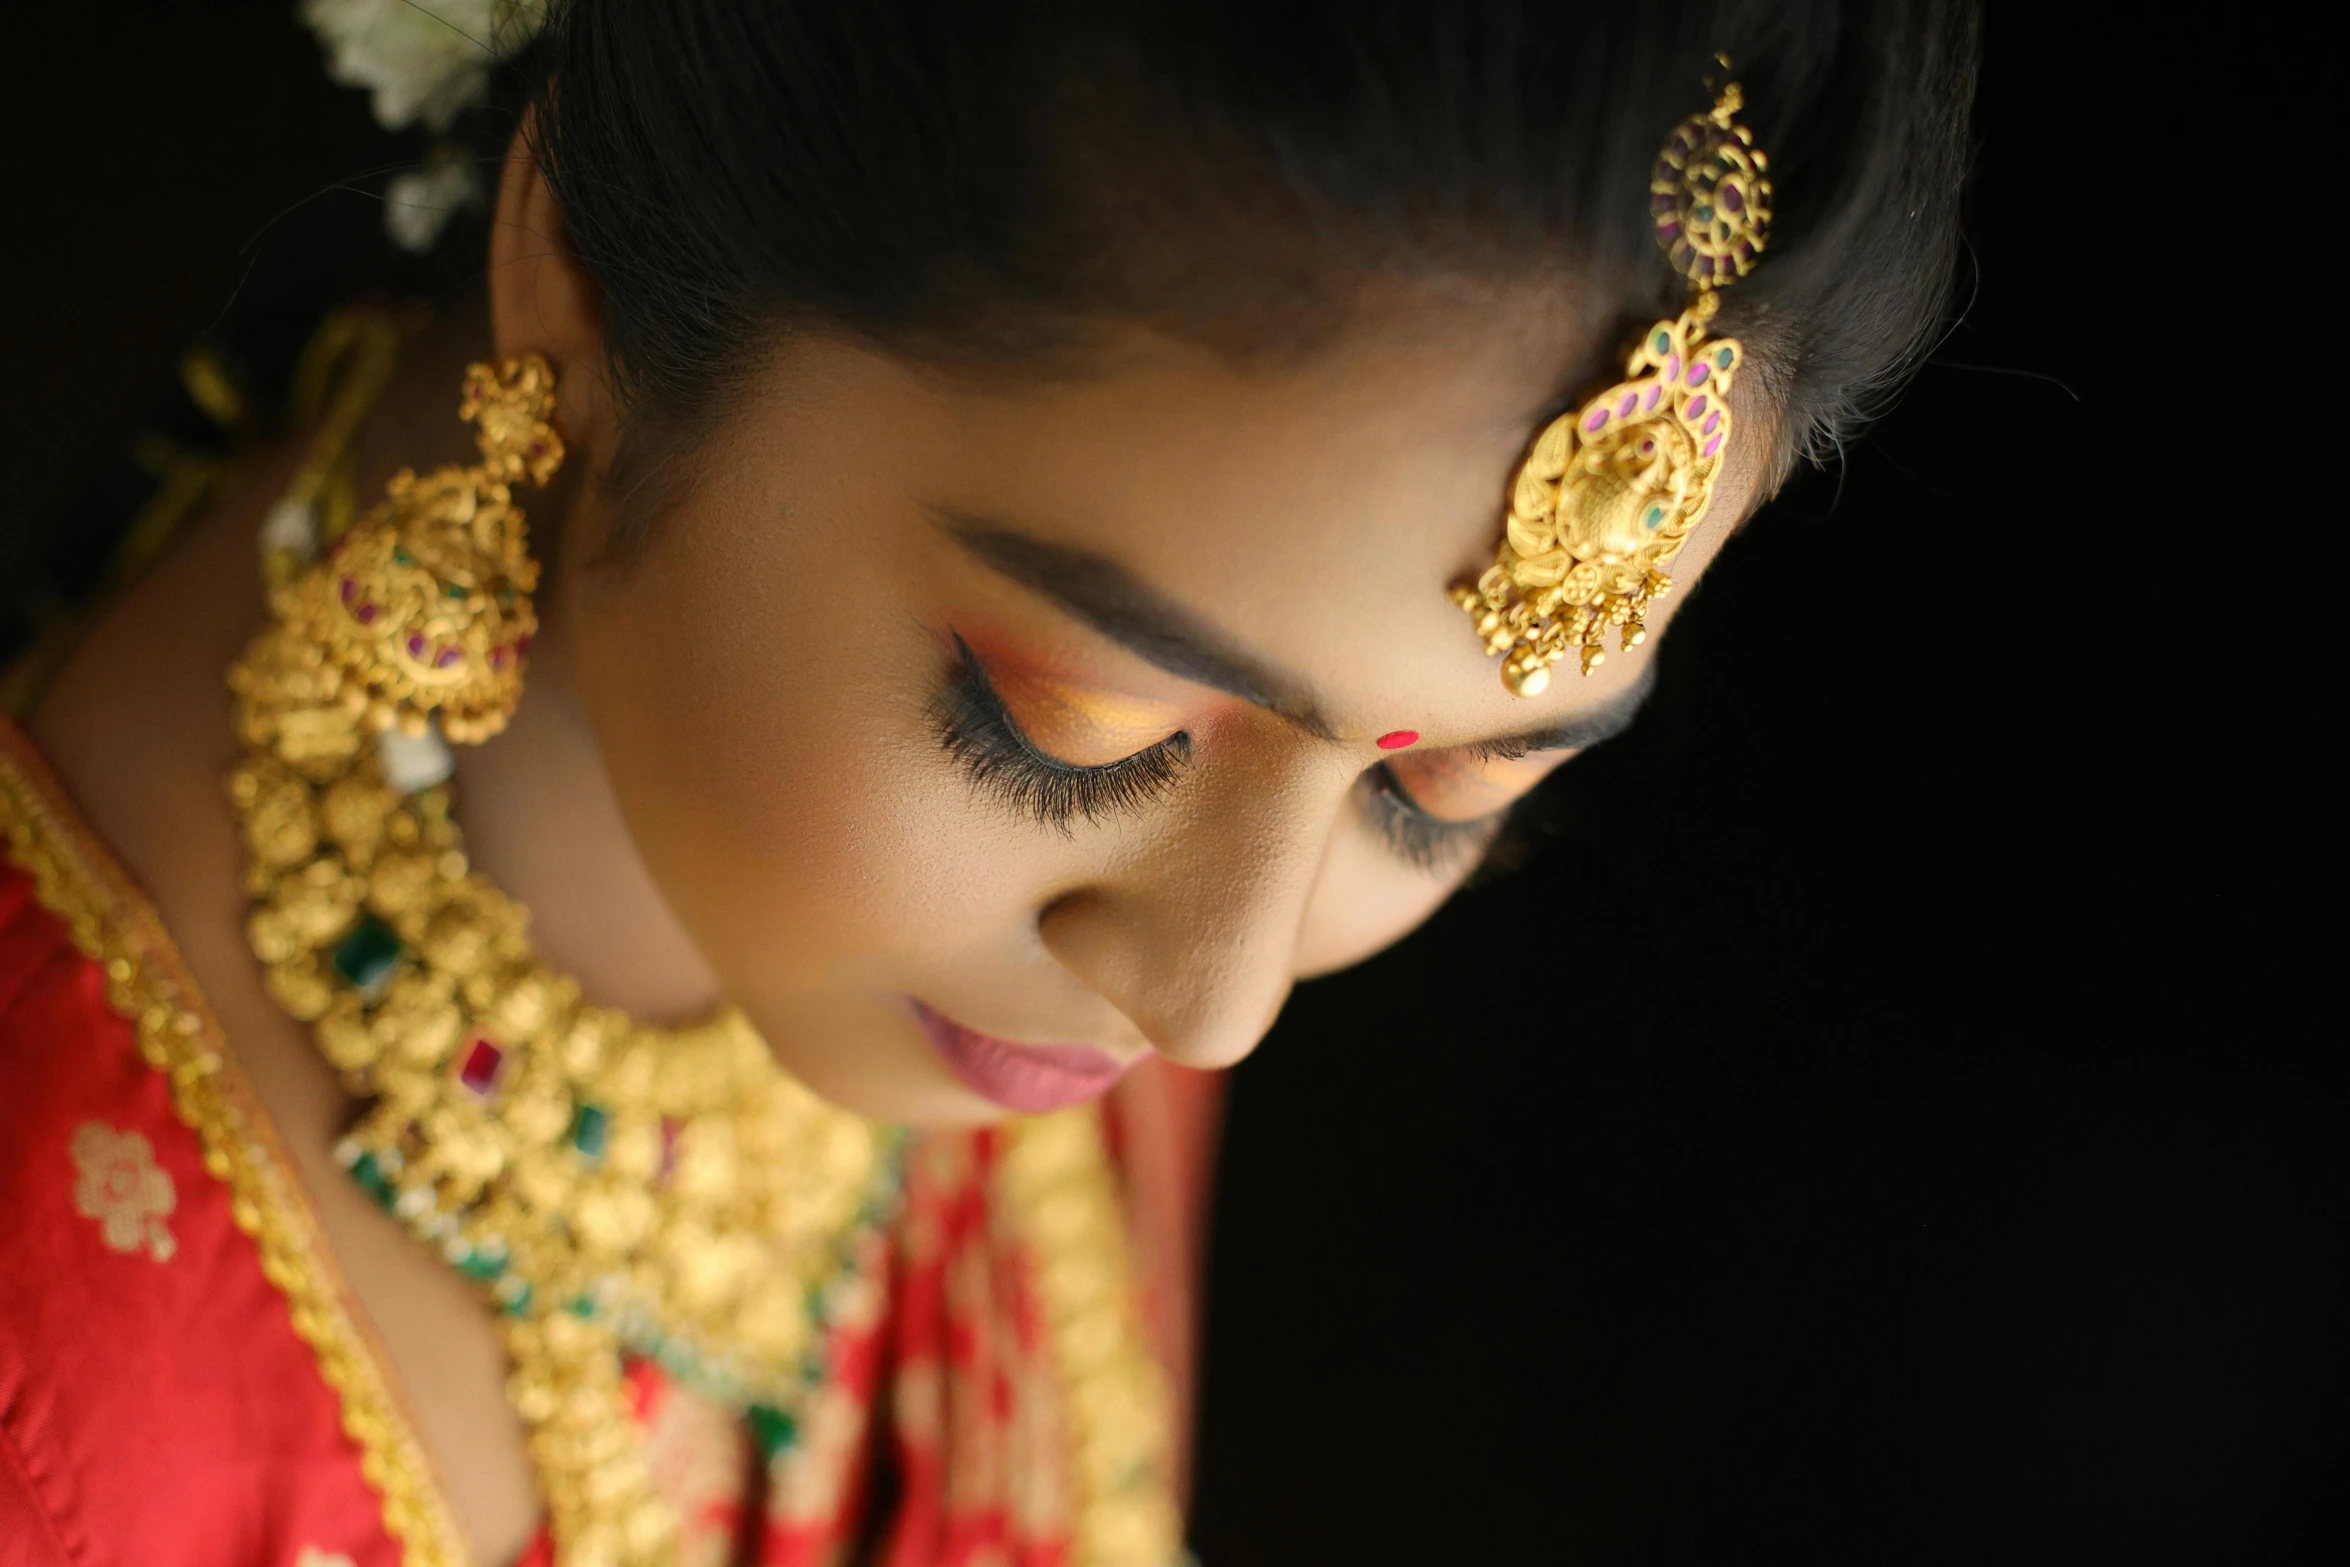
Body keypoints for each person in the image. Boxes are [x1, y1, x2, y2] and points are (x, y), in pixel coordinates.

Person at [0, 2, 1977, 1563]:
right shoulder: (60, 1394)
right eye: (1075, 722)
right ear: (586, 270)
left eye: (1438, 794)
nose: (1212, 1003)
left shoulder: (1027, 968)